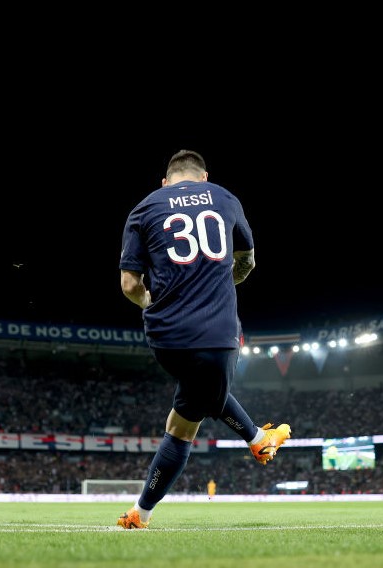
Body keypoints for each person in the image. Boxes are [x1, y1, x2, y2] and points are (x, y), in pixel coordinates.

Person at [116, 149, 291, 529]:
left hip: (165, 337)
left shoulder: (145, 207)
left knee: (183, 420)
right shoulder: (225, 198)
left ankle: (139, 514)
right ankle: (258, 438)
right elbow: (248, 261)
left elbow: (129, 284)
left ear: (165, 182)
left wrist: (149, 301)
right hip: (218, 334)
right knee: (202, 396)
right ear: (204, 177)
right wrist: (218, 284)